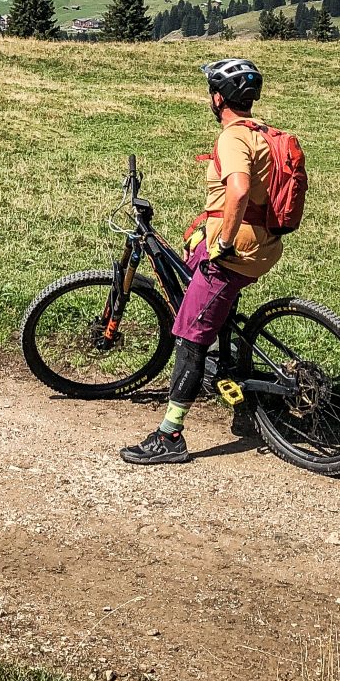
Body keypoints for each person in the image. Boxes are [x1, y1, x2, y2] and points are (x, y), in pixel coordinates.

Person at [120, 57, 283, 465]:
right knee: (201, 285)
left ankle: (170, 435)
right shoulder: (262, 133)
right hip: (264, 244)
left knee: (190, 337)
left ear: (218, 99)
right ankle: (226, 358)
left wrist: (223, 242)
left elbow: (239, 190)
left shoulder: (233, 138)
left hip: (235, 252)